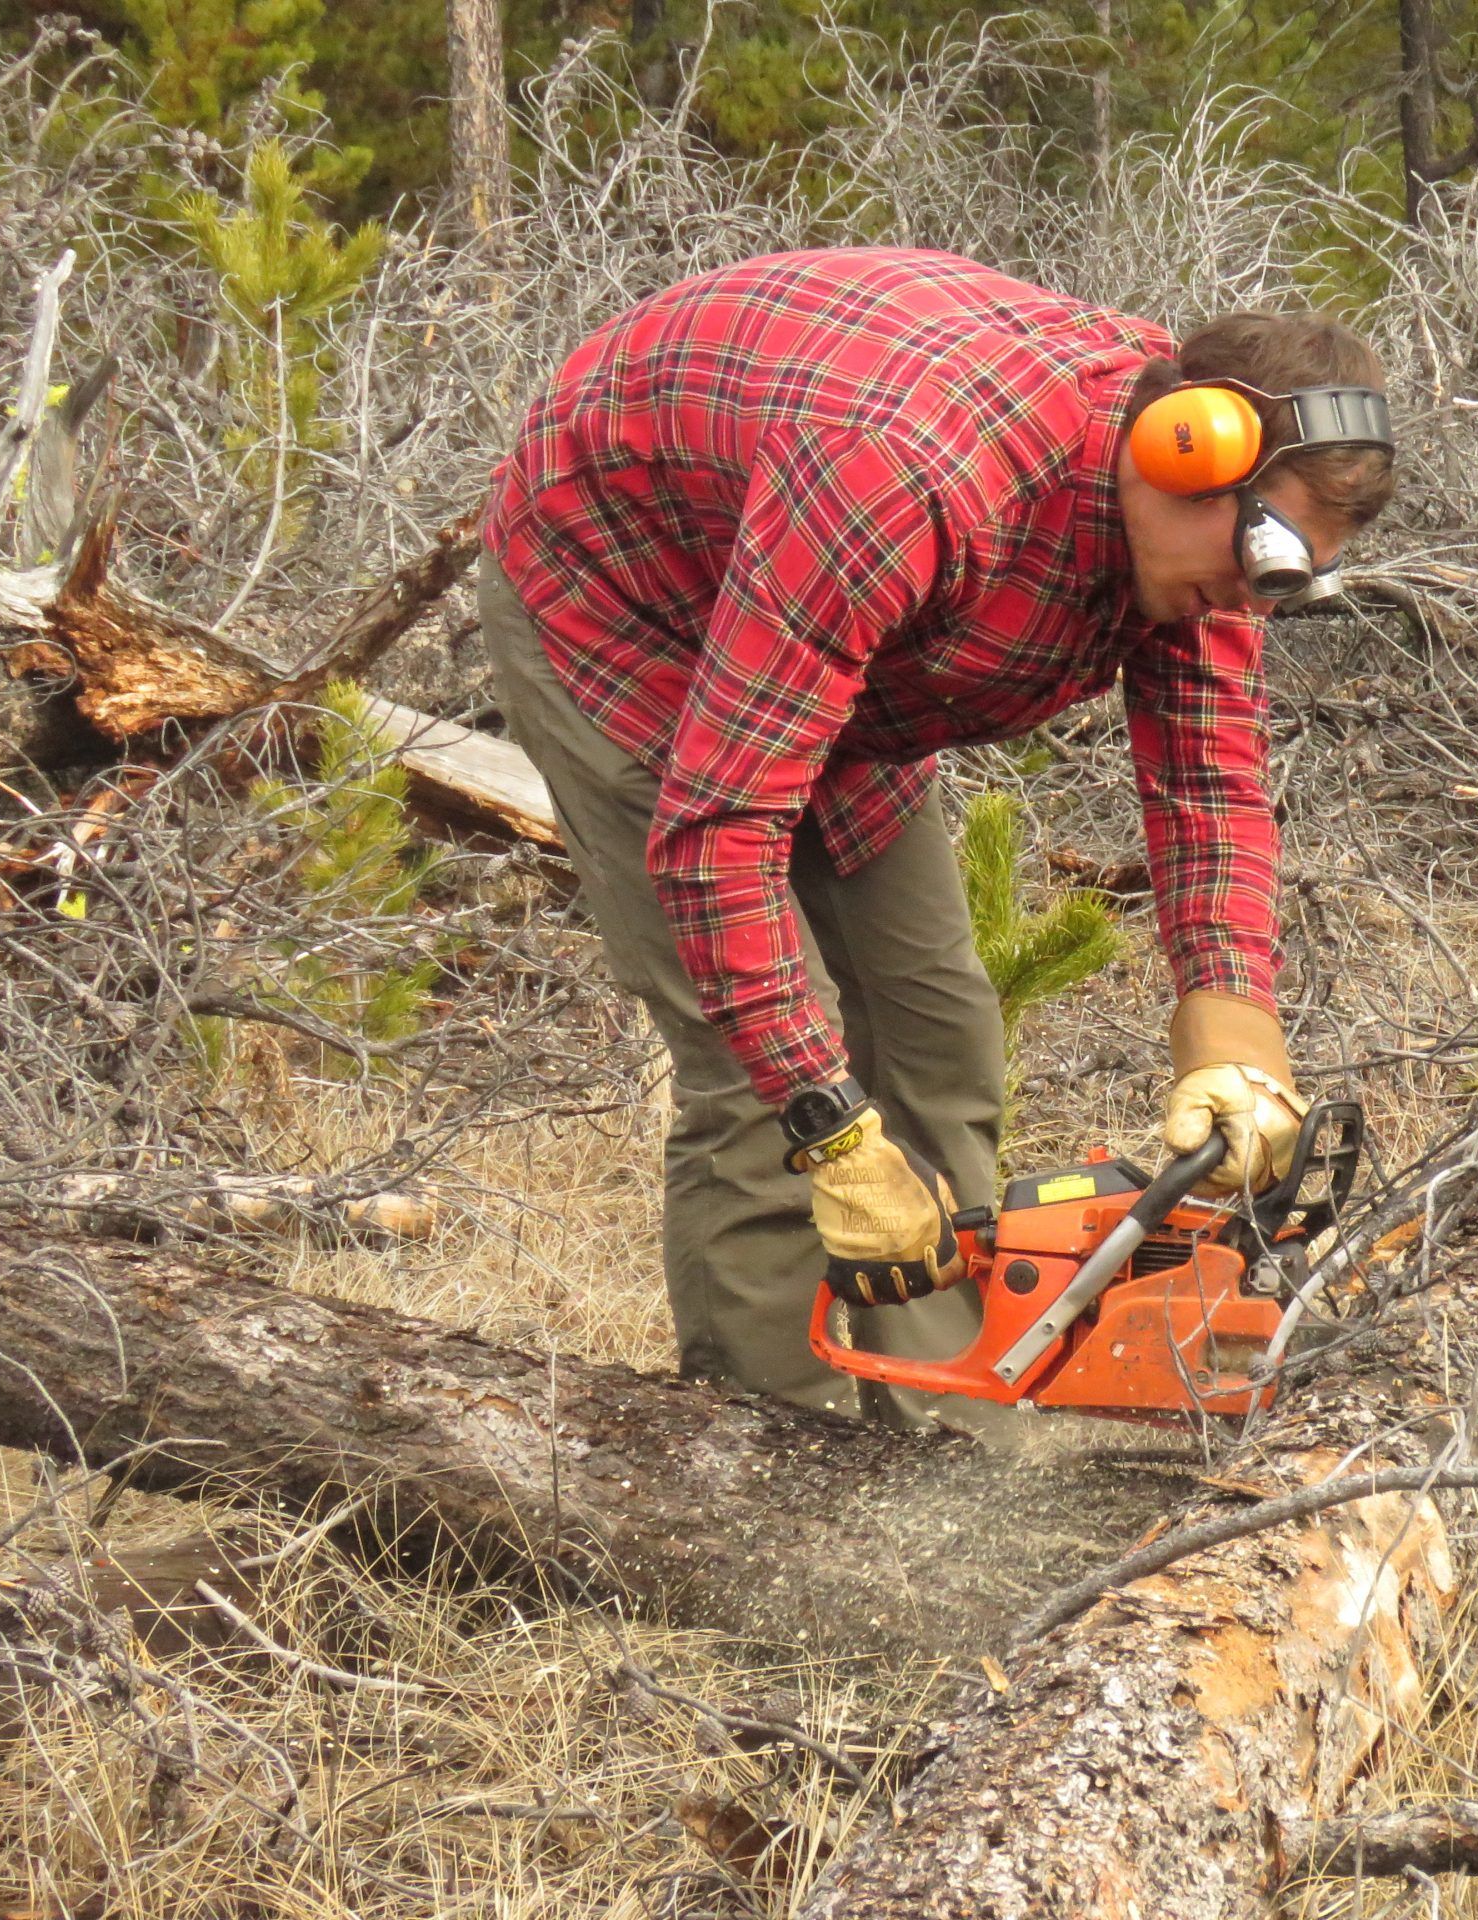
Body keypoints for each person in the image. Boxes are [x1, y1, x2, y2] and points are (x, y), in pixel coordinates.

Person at [477, 246, 1396, 1431]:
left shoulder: (1205, 555)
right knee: (762, 1094)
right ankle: (766, 1464)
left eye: (1294, 579)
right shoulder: (908, 475)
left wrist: (1233, 1043)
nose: (1257, 597)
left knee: (937, 1030)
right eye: (1265, 559)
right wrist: (828, 1128)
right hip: (627, 605)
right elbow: (720, 833)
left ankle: (947, 1437)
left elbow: (1208, 789)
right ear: (1186, 453)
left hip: (834, 641)